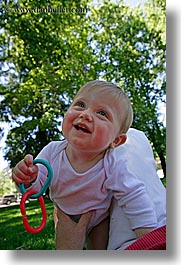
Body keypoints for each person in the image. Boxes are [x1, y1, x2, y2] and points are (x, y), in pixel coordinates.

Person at [12, 80, 159, 249]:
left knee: (99, 251)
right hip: (64, 213)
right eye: (80, 104)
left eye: (102, 113)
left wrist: (148, 239)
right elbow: (35, 189)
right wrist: (26, 178)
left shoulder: (112, 164)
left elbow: (135, 197)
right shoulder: (52, 152)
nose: (86, 114)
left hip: (98, 220)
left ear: (116, 140)